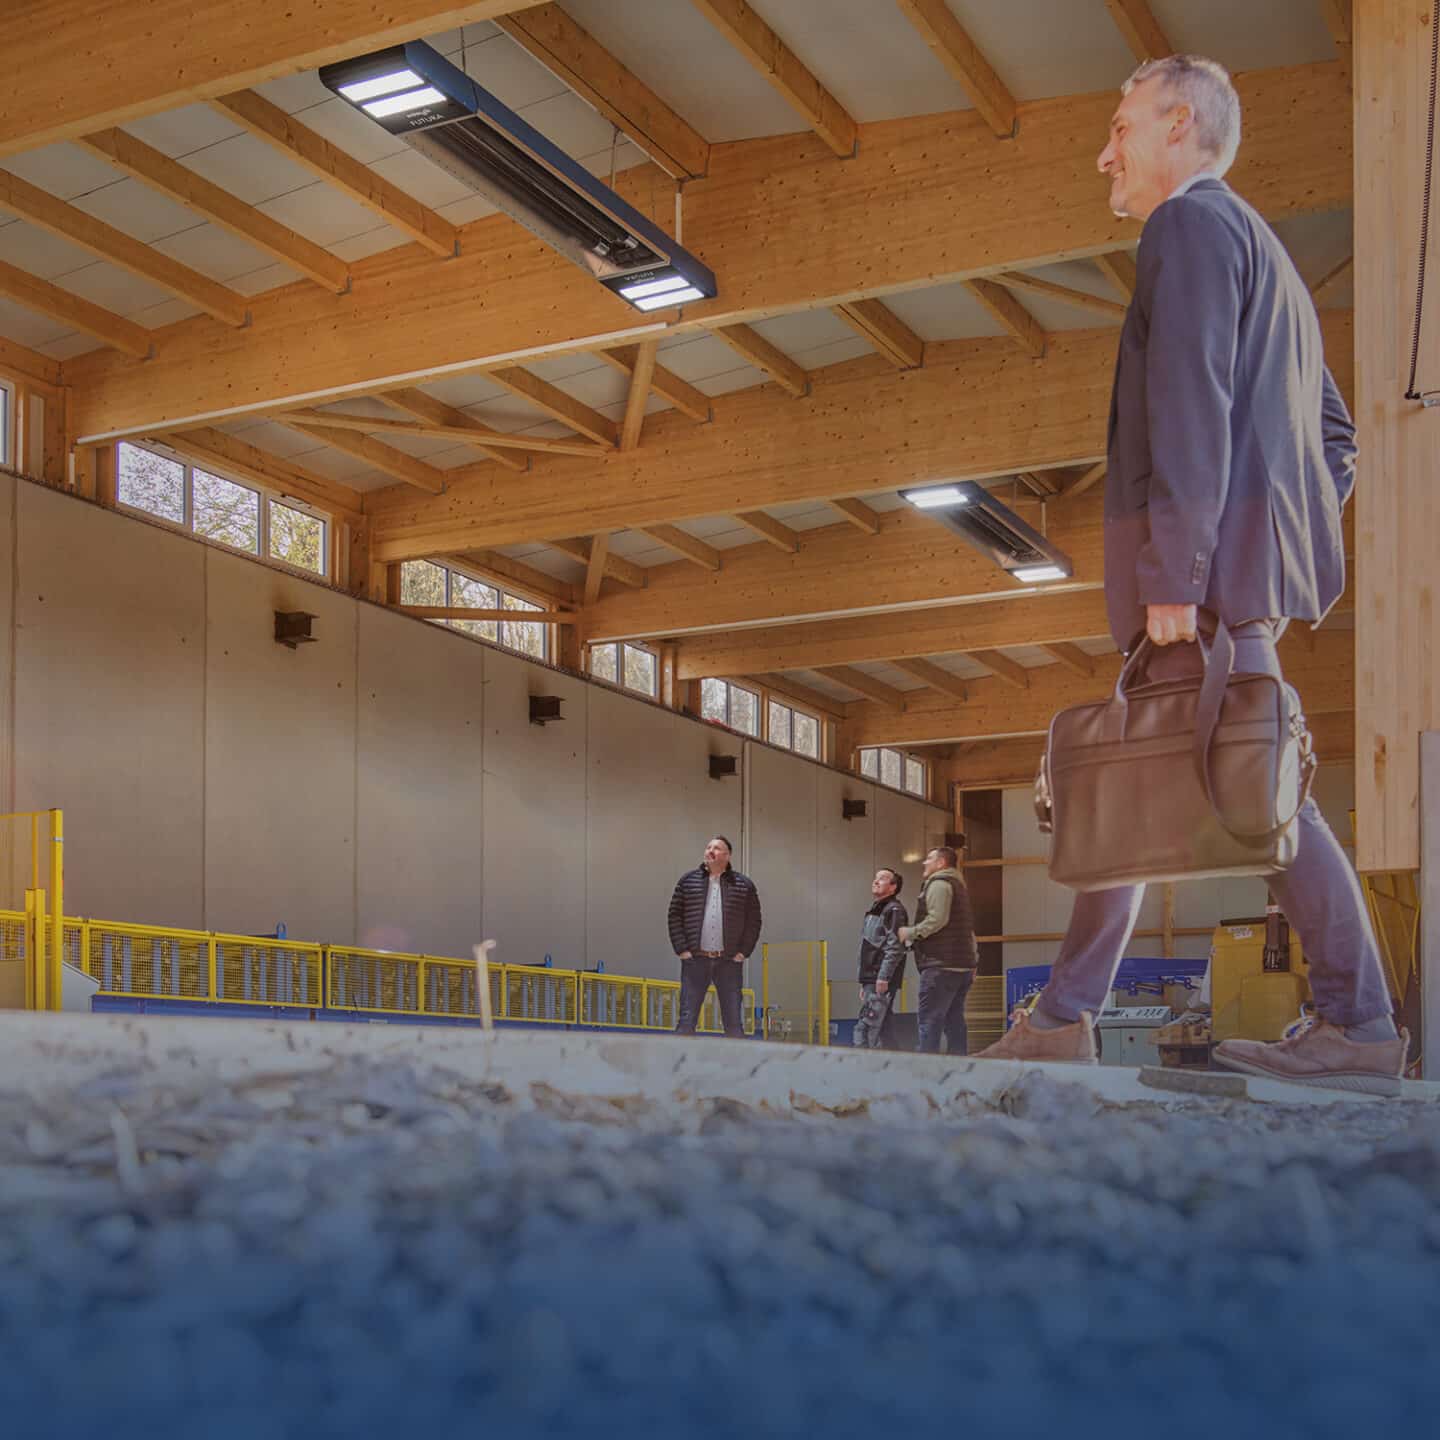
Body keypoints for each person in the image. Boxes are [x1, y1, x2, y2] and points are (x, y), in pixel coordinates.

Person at [976, 55, 1406, 1093]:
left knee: (1262, 796)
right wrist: (1273, 528)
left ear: (1179, 124)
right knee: (1171, 778)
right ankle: (1070, 1017)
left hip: (1200, 582)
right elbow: (1334, 436)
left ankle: (1358, 1023)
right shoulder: (1265, 254)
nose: (1105, 151)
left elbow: (1191, 400)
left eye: (1121, 125)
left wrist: (1185, 565)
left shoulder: (1189, 227)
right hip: (1230, 570)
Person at [667, 835, 762, 1039]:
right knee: (686, 1021)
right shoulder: (687, 881)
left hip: (728, 962)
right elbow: (674, 915)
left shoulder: (744, 885)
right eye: (708, 847)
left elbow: (754, 921)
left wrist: (743, 952)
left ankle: (739, 1068)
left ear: (727, 856)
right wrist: (682, 949)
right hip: (695, 960)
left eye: (717, 848)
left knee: (734, 1023)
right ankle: (678, 1067)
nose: (710, 851)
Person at [898, 845, 977, 1054]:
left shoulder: (939, 884)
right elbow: (968, 930)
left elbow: (937, 919)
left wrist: (911, 932)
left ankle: (928, 1069)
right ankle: (959, 1067)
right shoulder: (960, 887)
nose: (924, 862)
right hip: (962, 967)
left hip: (941, 965)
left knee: (929, 1020)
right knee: (954, 1020)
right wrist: (973, 960)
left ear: (941, 863)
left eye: (929, 858)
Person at [852, 867, 908, 1049]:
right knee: (883, 1026)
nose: (875, 881)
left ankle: (864, 1065)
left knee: (868, 1027)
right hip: (872, 978)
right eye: (875, 878)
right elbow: (869, 946)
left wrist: (883, 977)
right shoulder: (875, 910)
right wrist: (864, 981)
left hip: (880, 978)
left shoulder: (894, 911)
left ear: (893, 887)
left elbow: (895, 947)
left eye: (882, 879)